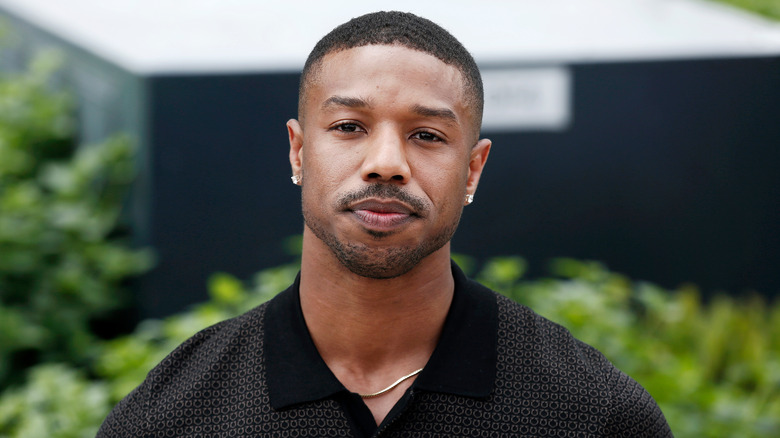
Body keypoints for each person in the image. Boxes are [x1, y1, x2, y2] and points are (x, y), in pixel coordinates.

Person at [98, 11, 672, 437]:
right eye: (349, 126)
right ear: (298, 152)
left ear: (473, 170)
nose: (388, 163)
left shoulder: (593, 414)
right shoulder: (171, 417)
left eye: (427, 135)